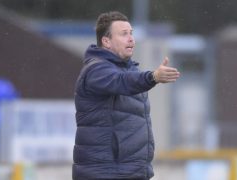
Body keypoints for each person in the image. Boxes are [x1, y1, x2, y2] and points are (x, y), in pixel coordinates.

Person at [73, 11, 180, 180]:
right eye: (124, 34)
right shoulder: (96, 70)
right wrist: (152, 77)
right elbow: (121, 81)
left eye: (131, 33)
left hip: (130, 172)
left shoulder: (131, 71)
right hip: (105, 173)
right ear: (106, 41)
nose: (131, 39)